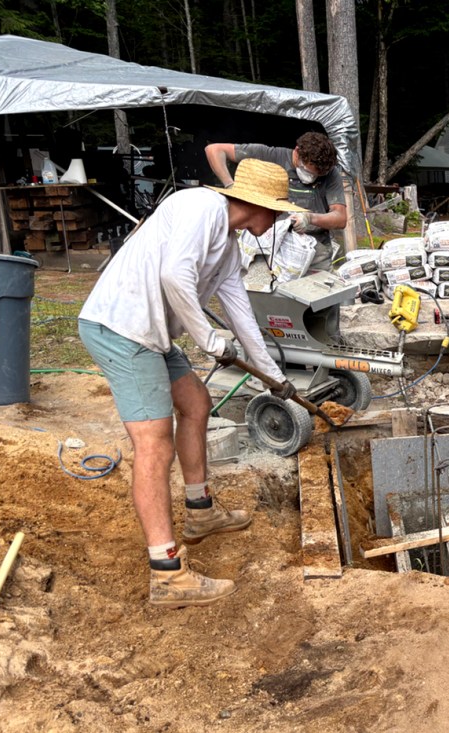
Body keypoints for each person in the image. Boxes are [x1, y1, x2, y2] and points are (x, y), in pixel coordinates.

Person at [78, 159, 302, 608]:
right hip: (123, 328)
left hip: (153, 333)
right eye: (276, 211)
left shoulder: (230, 249)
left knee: (196, 402)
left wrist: (276, 380)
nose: (277, 219)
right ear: (256, 204)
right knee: (155, 445)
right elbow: (173, 275)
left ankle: (200, 513)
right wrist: (208, 339)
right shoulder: (200, 208)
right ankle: (166, 573)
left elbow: (241, 316)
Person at [205, 131, 346, 272]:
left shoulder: (331, 174)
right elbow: (214, 150)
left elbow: (340, 218)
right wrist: (231, 185)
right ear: (297, 152)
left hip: (315, 249)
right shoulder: (270, 155)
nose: (311, 177)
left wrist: (309, 218)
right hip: (268, 246)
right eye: (308, 171)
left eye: (317, 175)